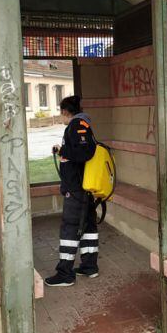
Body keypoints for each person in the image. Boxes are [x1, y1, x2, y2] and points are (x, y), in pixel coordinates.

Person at [45, 95, 99, 287]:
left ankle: (65, 274)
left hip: (77, 188)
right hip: (84, 186)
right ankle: (89, 266)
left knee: (70, 227)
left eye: (61, 113)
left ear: (65, 112)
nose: (61, 117)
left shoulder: (76, 125)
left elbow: (85, 152)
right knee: (88, 227)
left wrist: (63, 152)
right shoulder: (82, 124)